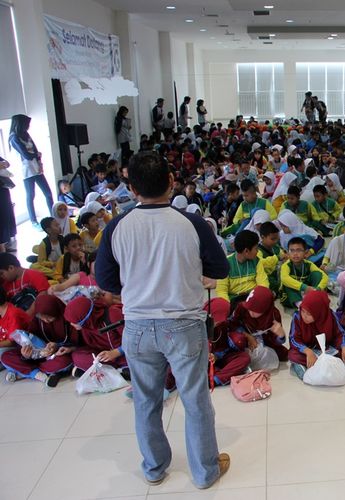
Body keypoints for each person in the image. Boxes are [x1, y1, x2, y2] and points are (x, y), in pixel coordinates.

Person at [95, 151, 231, 489]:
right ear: (171, 182)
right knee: (195, 398)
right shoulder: (192, 223)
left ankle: (155, 468)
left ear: (131, 188)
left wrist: (138, 282)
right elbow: (220, 269)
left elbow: (106, 280)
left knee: (146, 399)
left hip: (138, 326)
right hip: (183, 324)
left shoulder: (118, 226)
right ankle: (204, 471)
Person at [0, 294, 74, 386]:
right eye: (41, 317)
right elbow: (29, 340)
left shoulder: (67, 319)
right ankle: (36, 373)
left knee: (65, 362)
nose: (46, 320)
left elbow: (76, 342)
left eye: (49, 316)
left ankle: (24, 372)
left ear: (55, 310)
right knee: (5, 356)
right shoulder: (37, 321)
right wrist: (25, 354)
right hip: (37, 356)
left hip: (57, 355)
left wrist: (57, 346)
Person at [288, 290, 345, 380]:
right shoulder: (297, 318)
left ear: (319, 312)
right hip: (306, 349)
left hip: (326, 347)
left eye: (309, 313)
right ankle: (301, 365)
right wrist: (307, 351)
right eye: (303, 311)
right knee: (293, 354)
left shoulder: (330, 315)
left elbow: (341, 333)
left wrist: (344, 347)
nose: (304, 316)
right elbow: (293, 339)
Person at [9, 114, 54, 229]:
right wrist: (36, 155)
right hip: (26, 171)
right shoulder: (14, 138)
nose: (28, 127)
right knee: (30, 195)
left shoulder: (26, 134)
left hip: (36, 168)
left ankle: (53, 215)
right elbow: (26, 155)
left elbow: (35, 149)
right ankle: (34, 221)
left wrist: (39, 160)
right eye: (26, 124)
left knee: (48, 193)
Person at [279, 237, 328, 308]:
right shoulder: (286, 265)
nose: (295, 254)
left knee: (317, 274)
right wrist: (304, 287)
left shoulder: (309, 264)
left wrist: (317, 289)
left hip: (307, 292)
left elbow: (324, 276)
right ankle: (300, 305)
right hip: (290, 296)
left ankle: (314, 297)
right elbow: (284, 279)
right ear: (288, 253)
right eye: (292, 250)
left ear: (305, 253)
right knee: (287, 283)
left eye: (299, 250)